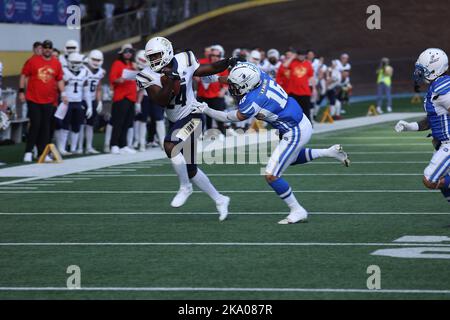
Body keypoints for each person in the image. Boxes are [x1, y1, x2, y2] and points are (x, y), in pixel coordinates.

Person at [193, 62, 350, 224]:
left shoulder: (253, 100)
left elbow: (228, 117)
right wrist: (215, 79)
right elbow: (237, 79)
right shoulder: (259, 76)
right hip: (297, 121)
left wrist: (205, 109)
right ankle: (329, 152)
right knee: (292, 158)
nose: (233, 87)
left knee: (272, 175)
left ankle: (298, 210)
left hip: (294, 130)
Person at [135, 36, 243, 220]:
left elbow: (205, 70)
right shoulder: (146, 75)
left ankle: (185, 187)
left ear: (168, 52)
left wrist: (227, 62)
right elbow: (160, 100)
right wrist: (169, 80)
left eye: (157, 56)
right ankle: (220, 199)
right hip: (176, 120)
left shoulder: (185, 59)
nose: (153, 61)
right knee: (191, 169)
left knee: (170, 145)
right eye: (151, 57)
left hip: (193, 117)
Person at [395, 48, 450, 203]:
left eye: (422, 69)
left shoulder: (442, 87)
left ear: (434, 69)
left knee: (430, 180)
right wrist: (409, 127)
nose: (419, 72)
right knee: (442, 180)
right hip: (442, 143)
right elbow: (431, 119)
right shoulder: (436, 86)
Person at [19, 40, 67, 162]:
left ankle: (43, 153)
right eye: (45, 48)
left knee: (46, 127)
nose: (47, 50)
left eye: (49, 48)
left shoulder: (56, 63)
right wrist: (21, 91)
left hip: (49, 100)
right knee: (35, 125)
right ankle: (28, 152)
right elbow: (24, 75)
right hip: (34, 98)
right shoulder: (33, 61)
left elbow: (59, 79)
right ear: (42, 49)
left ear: (52, 49)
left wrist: (64, 93)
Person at [56, 52, 92, 155]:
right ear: (69, 62)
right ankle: (62, 148)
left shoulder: (84, 72)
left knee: (77, 126)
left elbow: (86, 91)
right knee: (64, 125)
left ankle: (73, 148)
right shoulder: (64, 71)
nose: (76, 64)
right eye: (74, 62)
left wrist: (89, 106)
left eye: (78, 62)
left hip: (78, 102)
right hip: (67, 102)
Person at [109, 43, 138, 154]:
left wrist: (137, 69)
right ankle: (114, 144)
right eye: (126, 51)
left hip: (131, 97)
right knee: (118, 122)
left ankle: (123, 145)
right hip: (121, 97)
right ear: (122, 53)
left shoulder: (133, 64)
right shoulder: (117, 63)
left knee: (127, 122)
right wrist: (119, 80)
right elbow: (112, 78)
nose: (128, 53)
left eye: (130, 51)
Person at [196, 45, 229, 140]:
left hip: (216, 95)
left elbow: (226, 79)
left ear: (220, 56)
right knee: (202, 115)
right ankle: (206, 133)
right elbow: (194, 70)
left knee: (219, 114)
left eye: (217, 56)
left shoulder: (222, 66)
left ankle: (222, 132)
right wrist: (196, 76)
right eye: (213, 55)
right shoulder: (203, 63)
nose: (215, 57)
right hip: (202, 95)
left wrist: (223, 90)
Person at [76, 49, 105, 154]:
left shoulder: (100, 72)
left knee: (90, 124)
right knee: (80, 124)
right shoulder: (83, 69)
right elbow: (83, 87)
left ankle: (88, 147)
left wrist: (99, 101)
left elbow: (98, 88)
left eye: (98, 60)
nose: (96, 62)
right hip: (82, 100)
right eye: (94, 59)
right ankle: (78, 147)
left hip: (92, 100)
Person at [287, 49, 315, 121]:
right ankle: (295, 125)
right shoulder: (292, 62)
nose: (301, 56)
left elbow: (311, 77)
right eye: (299, 55)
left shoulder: (308, 64)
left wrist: (314, 89)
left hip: (305, 91)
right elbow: (284, 65)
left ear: (305, 55)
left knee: (306, 110)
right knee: (293, 110)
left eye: (302, 55)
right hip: (293, 91)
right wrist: (292, 57)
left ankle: (309, 125)